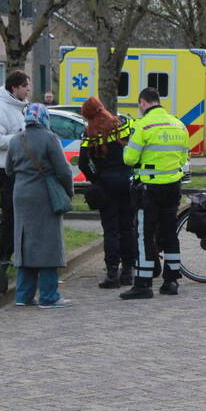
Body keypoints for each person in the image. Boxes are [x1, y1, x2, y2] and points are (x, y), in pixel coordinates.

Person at [120, 87, 189, 300]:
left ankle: (143, 283)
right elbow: (182, 158)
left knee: (145, 236)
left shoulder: (143, 126)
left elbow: (129, 159)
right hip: (173, 187)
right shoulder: (179, 124)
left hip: (149, 190)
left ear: (142, 103)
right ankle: (171, 281)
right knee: (169, 234)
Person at [5, 103, 74, 308]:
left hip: (20, 194)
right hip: (43, 195)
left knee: (24, 242)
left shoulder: (16, 139)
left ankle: (23, 295)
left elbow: (9, 169)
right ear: (44, 117)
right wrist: (68, 192)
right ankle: (49, 296)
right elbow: (64, 171)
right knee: (47, 243)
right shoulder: (50, 138)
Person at [79, 96, 137, 289]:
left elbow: (82, 163)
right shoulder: (121, 125)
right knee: (127, 228)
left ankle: (112, 273)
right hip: (126, 181)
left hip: (106, 184)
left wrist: (95, 178)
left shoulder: (89, 133)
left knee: (110, 230)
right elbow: (133, 146)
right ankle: (128, 272)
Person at [0, 70, 30, 264]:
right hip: (6, 169)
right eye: (25, 86)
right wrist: (20, 138)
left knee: (20, 213)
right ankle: (3, 256)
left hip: (19, 167)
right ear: (14, 88)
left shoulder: (20, 107)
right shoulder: (1, 108)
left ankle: (19, 254)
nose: (28, 90)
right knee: (9, 213)